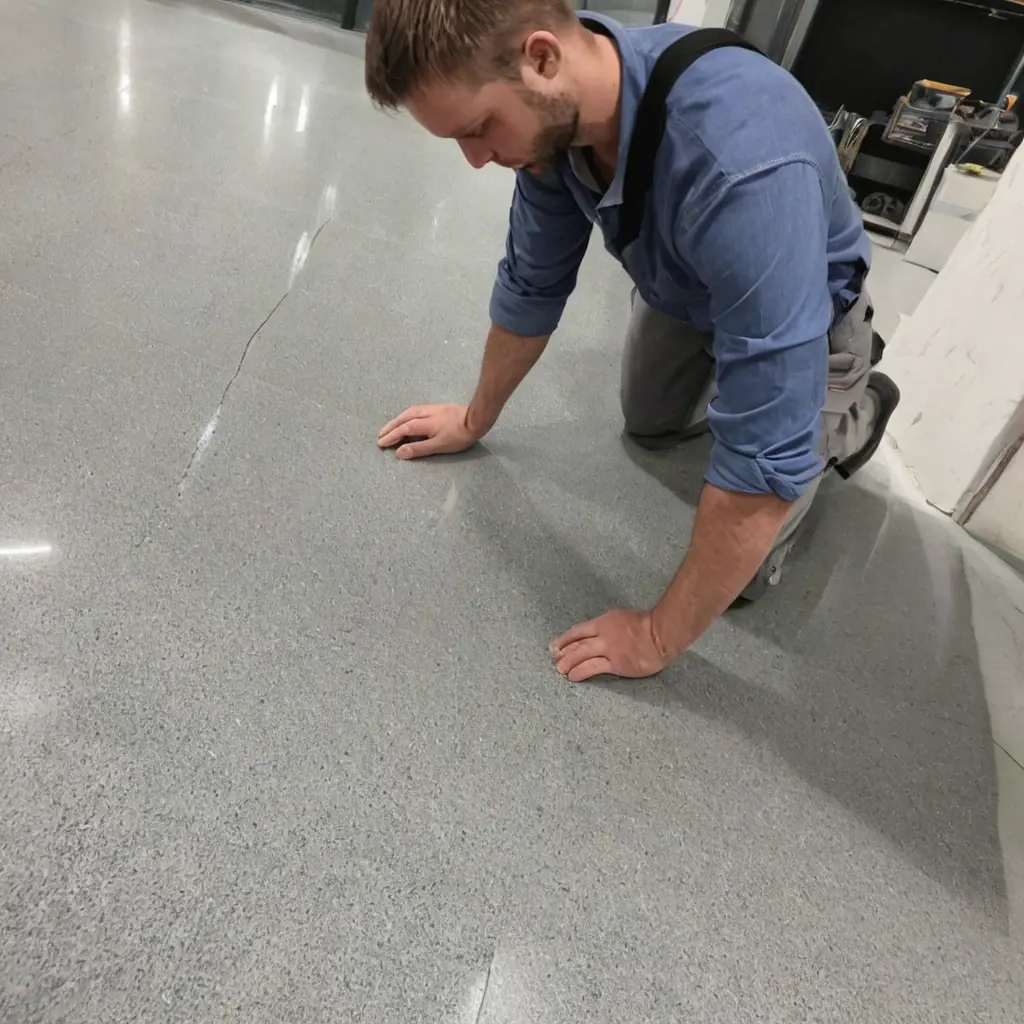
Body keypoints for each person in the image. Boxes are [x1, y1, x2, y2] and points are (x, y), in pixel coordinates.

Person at [363, 1, 900, 683]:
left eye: (479, 129)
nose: (476, 160)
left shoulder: (744, 164)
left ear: (542, 58)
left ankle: (861, 406)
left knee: (741, 568)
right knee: (649, 425)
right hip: (687, 285)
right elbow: (531, 285)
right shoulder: (556, 121)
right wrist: (475, 419)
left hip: (813, 318)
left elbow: (763, 458)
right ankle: (741, 361)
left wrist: (653, 637)